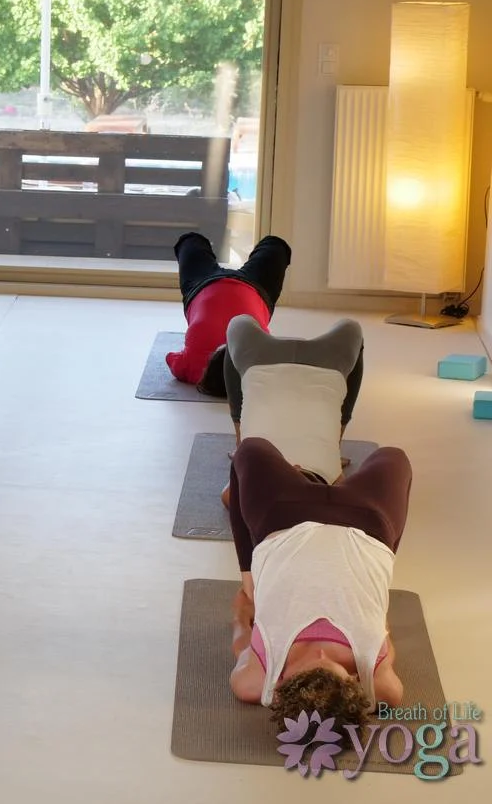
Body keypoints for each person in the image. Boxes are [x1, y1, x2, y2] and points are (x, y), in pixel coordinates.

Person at [226, 436, 409, 726]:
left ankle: (303, 480)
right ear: (356, 687)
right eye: (333, 663)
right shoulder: (384, 690)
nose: (321, 652)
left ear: (279, 688)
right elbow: (385, 645)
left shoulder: (253, 682)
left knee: (248, 450)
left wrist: (243, 601)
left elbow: (240, 642)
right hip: (363, 520)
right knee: (394, 456)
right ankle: (308, 479)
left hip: (289, 515)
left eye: (308, 663)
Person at [224, 314, 365, 484]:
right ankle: (240, 445)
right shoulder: (250, 475)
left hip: (274, 362)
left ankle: (336, 445)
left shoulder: (334, 480)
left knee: (351, 328)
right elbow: (227, 495)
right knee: (237, 324)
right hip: (269, 364)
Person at [166, 231, 292, 396]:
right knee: (190, 242)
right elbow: (171, 358)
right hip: (207, 285)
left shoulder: (258, 363)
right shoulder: (193, 369)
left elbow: (171, 358)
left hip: (248, 288)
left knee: (275, 247)